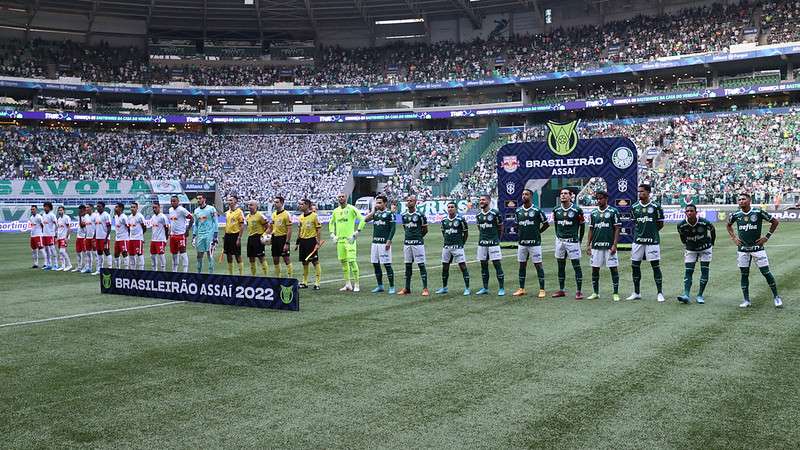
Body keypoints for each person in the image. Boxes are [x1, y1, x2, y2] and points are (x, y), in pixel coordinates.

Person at [726, 193, 782, 308]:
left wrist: (766, 237)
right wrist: (734, 238)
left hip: (757, 248)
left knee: (766, 273)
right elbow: (728, 225)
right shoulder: (736, 215)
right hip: (742, 249)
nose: (741, 201)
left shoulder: (758, 212)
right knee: (744, 274)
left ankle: (776, 297)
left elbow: (775, 222)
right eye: (739, 199)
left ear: (749, 201)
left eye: (743, 199)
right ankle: (746, 300)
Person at [628, 184, 665, 302]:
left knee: (655, 266)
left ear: (648, 192)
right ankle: (636, 292)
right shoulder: (634, 207)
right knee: (635, 266)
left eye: (642, 192)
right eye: (638, 191)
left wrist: (652, 232)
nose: (640, 194)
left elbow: (660, 224)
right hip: (638, 241)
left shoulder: (656, 207)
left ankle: (660, 293)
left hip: (652, 241)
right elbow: (635, 223)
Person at [513, 189, 549, 298]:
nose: (524, 196)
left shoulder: (537, 210)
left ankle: (542, 289)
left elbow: (546, 224)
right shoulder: (518, 211)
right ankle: (521, 289)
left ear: (531, 196)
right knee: (522, 265)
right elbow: (516, 226)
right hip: (522, 243)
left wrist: (538, 232)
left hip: (535, 243)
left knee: (538, 265)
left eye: (526, 194)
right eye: (523, 194)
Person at [586, 191, 621, 301]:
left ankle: (615, 293)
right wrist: (588, 244)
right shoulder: (593, 213)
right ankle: (595, 292)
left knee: (613, 269)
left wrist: (615, 245)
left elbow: (617, 229)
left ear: (606, 199)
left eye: (601, 198)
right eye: (597, 198)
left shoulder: (613, 211)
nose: (598, 200)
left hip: (609, 246)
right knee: (595, 269)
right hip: (596, 246)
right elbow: (591, 229)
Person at [677, 204, 715, 304]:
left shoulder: (704, 222)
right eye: (687, 211)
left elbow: (713, 230)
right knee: (688, 271)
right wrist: (685, 244)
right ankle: (686, 294)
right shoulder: (681, 225)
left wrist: (712, 243)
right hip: (691, 249)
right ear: (685, 213)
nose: (689, 213)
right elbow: (681, 236)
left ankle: (700, 295)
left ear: (696, 212)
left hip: (705, 248)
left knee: (704, 271)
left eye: (691, 211)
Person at [552, 188, 585, 299]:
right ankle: (561, 290)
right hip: (560, 241)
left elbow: (582, 225)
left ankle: (579, 291)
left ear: (571, 196)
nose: (563, 195)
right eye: (561, 194)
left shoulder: (577, 210)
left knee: (576, 266)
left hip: (572, 241)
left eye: (566, 194)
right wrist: (558, 235)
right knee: (560, 266)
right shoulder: (556, 210)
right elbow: (556, 224)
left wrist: (579, 240)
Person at [329, 193, 365, 292]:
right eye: (339, 197)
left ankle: (357, 284)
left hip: (350, 240)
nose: (341, 198)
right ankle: (348, 284)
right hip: (340, 240)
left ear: (346, 198)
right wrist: (332, 234)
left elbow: (362, 219)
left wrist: (357, 232)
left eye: (343, 196)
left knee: (352, 261)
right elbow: (331, 222)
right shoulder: (336, 211)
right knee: (343, 262)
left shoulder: (352, 209)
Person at [364, 195, 396, 294]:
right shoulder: (376, 214)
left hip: (384, 243)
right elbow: (365, 219)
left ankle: (391, 286)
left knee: (387, 264)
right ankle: (380, 285)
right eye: (376, 202)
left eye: (379, 202)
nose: (377, 204)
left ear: (385, 203)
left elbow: (393, 228)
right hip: (375, 243)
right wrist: (373, 211)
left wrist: (389, 240)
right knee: (375, 264)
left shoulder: (389, 214)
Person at [437, 201, 470, 296]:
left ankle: (467, 288)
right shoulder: (444, 220)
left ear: (456, 208)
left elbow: (466, 233)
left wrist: (461, 243)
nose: (450, 208)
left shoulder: (460, 219)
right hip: (447, 247)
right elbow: (444, 233)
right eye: (449, 207)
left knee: (463, 267)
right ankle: (444, 287)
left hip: (457, 247)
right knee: (445, 267)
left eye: (452, 207)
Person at [398, 194, 429, 296]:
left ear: (415, 202)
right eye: (407, 200)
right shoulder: (404, 215)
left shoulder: (420, 215)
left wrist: (418, 237)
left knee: (421, 265)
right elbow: (405, 228)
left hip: (418, 243)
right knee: (407, 266)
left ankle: (425, 288)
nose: (408, 202)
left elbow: (425, 230)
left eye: (411, 201)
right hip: (407, 243)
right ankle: (407, 288)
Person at [475, 194, 505, 296]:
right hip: (482, 243)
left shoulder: (495, 213)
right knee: (483, 265)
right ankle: (485, 288)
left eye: (483, 200)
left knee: (497, 265)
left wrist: (497, 240)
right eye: (480, 200)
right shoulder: (478, 215)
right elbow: (480, 228)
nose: (481, 202)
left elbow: (500, 228)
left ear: (488, 201)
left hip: (493, 243)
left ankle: (501, 288)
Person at [296, 199, 322, 289]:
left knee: (315, 261)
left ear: (307, 205)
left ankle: (317, 283)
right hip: (303, 241)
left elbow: (318, 229)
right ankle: (304, 282)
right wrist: (297, 242)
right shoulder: (300, 217)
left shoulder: (314, 216)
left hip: (311, 241)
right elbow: (300, 230)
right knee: (304, 262)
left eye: (301, 204)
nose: (299, 206)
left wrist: (318, 242)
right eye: (299, 204)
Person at [192, 194, 218, 274]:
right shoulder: (196, 211)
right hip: (200, 235)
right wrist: (194, 236)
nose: (198, 200)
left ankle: (211, 274)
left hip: (209, 235)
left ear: (204, 199)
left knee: (209, 255)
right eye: (197, 199)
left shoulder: (211, 209)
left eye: (200, 198)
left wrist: (215, 235)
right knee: (199, 255)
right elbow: (196, 224)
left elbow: (215, 222)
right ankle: (199, 273)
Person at [269, 196, 294, 278]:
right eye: (274, 202)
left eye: (277, 202)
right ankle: (278, 277)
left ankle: (290, 277)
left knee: (286, 259)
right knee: (275, 259)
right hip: (275, 238)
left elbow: (289, 230)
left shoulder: (286, 214)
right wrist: (265, 234)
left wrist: (287, 243)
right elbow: (271, 227)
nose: (275, 204)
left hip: (283, 238)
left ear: (282, 203)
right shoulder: (273, 214)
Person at [245, 199, 270, 276]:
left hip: (258, 238)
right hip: (250, 238)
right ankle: (253, 276)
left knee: (261, 257)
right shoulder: (247, 216)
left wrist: (264, 235)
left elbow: (268, 227)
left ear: (256, 206)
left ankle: (266, 276)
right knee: (251, 258)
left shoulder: (260, 215)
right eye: (248, 205)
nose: (249, 206)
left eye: (251, 205)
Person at [168, 195, 193, 272]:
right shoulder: (170, 210)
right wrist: (170, 230)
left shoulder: (182, 210)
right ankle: (174, 271)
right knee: (174, 254)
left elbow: (192, 218)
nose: (173, 202)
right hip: (172, 235)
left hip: (181, 235)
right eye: (171, 201)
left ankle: (185, 271)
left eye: (174, 201)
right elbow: (172, 221)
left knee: (183, 252)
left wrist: (187, 229)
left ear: (178, 201)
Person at [223, 196, 245, 275]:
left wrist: (239, 237)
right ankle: (230, 274)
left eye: (231, 200)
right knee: (228, 255)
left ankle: (241, 274)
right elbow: (227, 224)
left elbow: (242, 225)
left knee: (237, 255)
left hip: (235, 235)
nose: (229, 202)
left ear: (235, 202)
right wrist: (225, 235)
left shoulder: (239, 212)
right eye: (228, 200)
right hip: (227, 235)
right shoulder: (227, 212)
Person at [149, 201, 170, 271]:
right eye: (153, 208)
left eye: (155, 207)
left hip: (160, 240)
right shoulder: (153, 217)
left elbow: (167, 228)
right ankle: (154, 270)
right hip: (153, 240)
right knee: (152, 255)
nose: (154, 209)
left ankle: (163, 270)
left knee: (161, 255)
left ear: (159, 208)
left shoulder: (163, 217)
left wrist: (166, 238)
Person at [93, 201, 112, 275]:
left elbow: (109, 227)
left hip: (104, 237)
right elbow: (96, 227)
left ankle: (110, 268)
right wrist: (94, 237)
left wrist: (106, 238)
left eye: (99, 206)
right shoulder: (96, 215)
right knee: (99, 252)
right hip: (98, 237)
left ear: (103, 207)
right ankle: (99, 269)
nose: (98, 208)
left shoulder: (106, 215)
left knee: (106, 251)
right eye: (97, 206)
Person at [126, 202, 146, 270]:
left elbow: (144, 227)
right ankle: (132, 270)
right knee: (131, 254)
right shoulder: (129, 217)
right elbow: (129, 228)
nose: (132, 209)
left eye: (134, 207)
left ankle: (141, 270)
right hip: (131, 239)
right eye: (131, 207)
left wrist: (141, 236)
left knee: (139, 254)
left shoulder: (140, 216)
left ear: (137, 208)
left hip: (138, 238)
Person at [41, 202, 58, 270]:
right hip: (44, 235)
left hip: (50, 235)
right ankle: (49, 264)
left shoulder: (52, 215)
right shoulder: (43, 215)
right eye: (44, 206)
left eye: (46, 207)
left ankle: (56, 264)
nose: (45, 208)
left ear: (50, 207)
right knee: (46, 250)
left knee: (52, 249)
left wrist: (55, 233)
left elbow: (56, 224)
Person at [55, 206, 72, 271]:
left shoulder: (66, 218)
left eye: (61, 210)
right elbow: (58, 229)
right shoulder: (59, 219)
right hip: (60, 237)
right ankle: (63, 265)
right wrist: (56, 237)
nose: (60, 211)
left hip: (64, 237)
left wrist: (67, 237)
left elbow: (69, 228)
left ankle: (69, 265)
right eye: (59, 210)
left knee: (62, 251)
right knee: (61, 252)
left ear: (64, 211)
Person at [113, 203, 129, 269]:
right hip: (117, 239)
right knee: (116, 254)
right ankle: (117, 268)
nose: (115, 208)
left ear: (121, 208)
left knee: (124, 253)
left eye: (116, 207)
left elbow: (128, 227)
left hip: (124, 238)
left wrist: (130, 237)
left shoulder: (124, 217)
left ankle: (126, 269)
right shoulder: (116, 216)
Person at [81, 204, 96, 274]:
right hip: (87, 237)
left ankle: (98, 268)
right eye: (86, 207)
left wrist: (95, 237)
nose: (86, 209)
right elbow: (82, 226)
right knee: (88, 253)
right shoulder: (85, 216)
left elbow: (97, 227)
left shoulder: (95, 216)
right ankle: (88, 268)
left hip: (94, 237)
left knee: (96, 253)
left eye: (88, 207)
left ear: (91, 208)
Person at [28, 205, 44, 269]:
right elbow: (32, 226)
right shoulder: (31, 217)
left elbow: (43, 225)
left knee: (41, 249)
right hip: (32, 235)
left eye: (33, 209)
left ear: (36, 210)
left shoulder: (39, 217)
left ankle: (46, 263)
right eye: (31, 209)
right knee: (33, 250)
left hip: (38, 235)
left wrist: (42, 233)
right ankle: (36, 263)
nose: (32, 210)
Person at [71, 205, 86, 272]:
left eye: (81, 210)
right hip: (78, 237)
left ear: (84, 210)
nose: (79, 211)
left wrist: (80, 217)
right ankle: (79, 266)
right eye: (79, 210)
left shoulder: (86, 217)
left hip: (84, 237)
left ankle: (86, 266)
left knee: (85, 253)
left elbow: (82, 226)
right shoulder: (81, 217)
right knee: (78, 252)